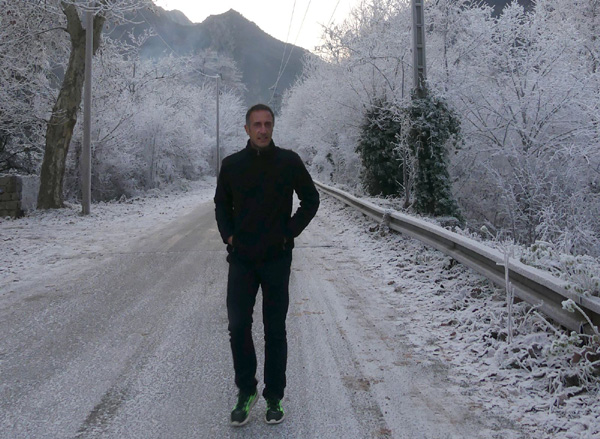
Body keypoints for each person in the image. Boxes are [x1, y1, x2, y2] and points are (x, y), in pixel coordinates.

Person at [214, 103, 320, 426]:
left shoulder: (288, 162)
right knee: (238, 326)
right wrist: (229, 237)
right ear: (246, 129)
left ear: (273, 127)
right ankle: (246, 391)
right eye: (257, 125)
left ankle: (274, 396)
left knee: (275, 329)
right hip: (242, 260)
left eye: (267, 124)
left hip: (276, 259)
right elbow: (221, 205)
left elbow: (311, 199)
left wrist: (289, 232)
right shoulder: (232, 165)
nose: (262, 130)